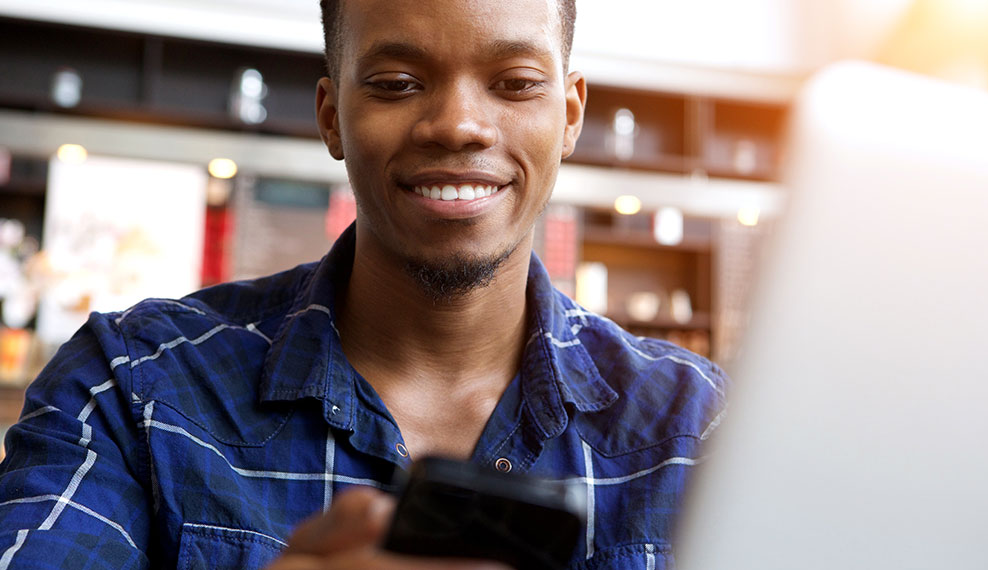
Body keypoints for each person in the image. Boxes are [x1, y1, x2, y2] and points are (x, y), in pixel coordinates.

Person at [0, 0, 728, 568]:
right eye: (397, 84)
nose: (458, 125)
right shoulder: (131, 387)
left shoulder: (703, 428)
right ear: (332, 117)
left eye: (513, 84)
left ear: (568, 116)